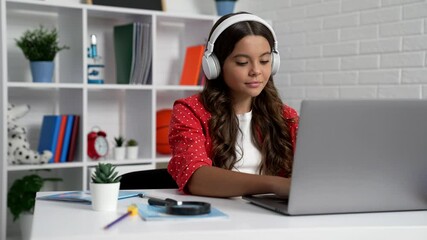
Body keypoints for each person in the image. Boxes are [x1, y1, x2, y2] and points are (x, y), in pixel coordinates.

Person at [167, 12, 299, 198]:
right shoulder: (190, 111)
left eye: (264, 61)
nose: (256, 71)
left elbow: (314, 168)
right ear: (215, 65)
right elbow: (195, 177)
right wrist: (276, 185)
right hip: (218, 217)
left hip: (272, 217)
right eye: (242, 62)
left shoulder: (286, 116)